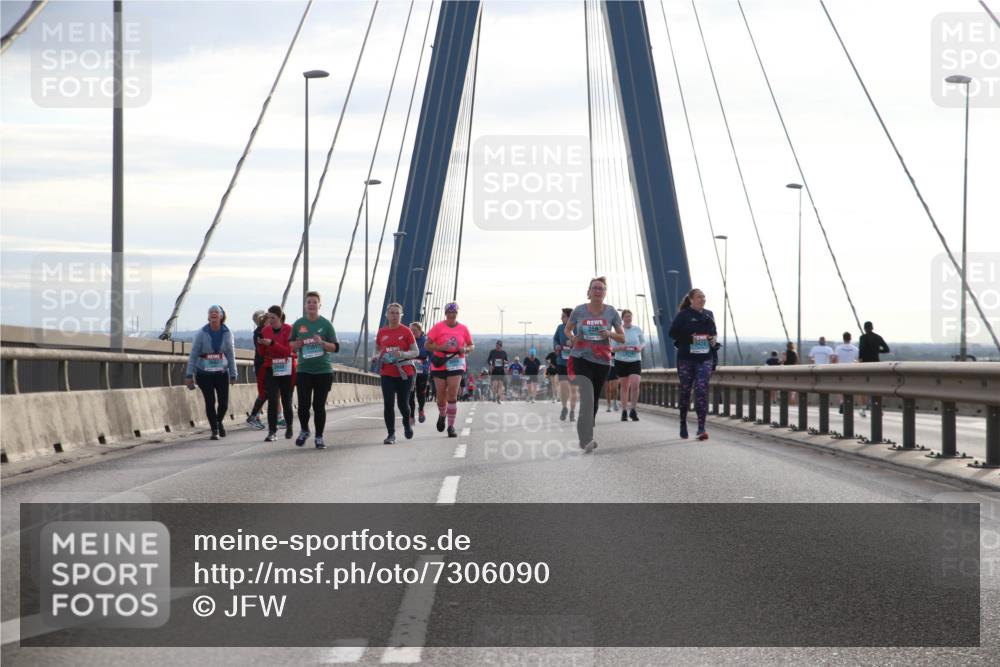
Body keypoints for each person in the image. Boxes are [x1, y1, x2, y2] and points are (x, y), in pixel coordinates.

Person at [564, 276, 625, 454]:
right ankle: (586, 439)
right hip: (581, 357)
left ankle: (586, 428)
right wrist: (571, 338)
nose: (597, 291)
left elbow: (622, 337)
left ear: (605, 293)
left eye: (601, 288)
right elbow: (568, 329)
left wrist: (609, 333)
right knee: (588, 396)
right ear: (589, 292)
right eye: (594, 288)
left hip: (602, 360)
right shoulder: (579, 311)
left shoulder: (611, 312)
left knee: (594, 400)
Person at [289, 291, 340, 449]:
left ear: (319, 305)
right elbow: (290, 344)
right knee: (303, 405)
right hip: (304, 370)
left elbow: (336, 347)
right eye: (308, 302)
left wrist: (323, 343)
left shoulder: (326, 324)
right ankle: (305, 430)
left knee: (318, 406)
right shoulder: (298, 324)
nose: (311, 305)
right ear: (305, 305)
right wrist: (296, 345)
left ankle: (319, 436)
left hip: (323, 371)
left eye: (314, 302)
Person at [669, 289, 720, 441]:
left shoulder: (709, 314)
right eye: (699, 297)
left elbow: (714, 332)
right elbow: (672, 333)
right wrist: (689, 337)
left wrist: (713, 340)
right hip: (686, 358)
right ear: (691, 300)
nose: (702, 299)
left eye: (704, 297)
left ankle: (701, 427)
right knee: (685, 392)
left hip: (705, 357)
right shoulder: (683, 315)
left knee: (701, 391)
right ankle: (683, 422)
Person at [184, 305, 237, 440]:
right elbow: (193, 355)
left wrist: (233, 373)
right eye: (211, 312)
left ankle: (218, 422)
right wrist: (189, 375)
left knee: (223, 403)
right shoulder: (201, 333)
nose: (213, 314)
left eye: (216, 312)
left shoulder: (227, 333)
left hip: (221, 372)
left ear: (221, 316)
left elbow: (230, 354)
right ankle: (214, 430)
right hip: (204, 373)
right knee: (210, 401)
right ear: (208, 316)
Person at [426, 302, 474, 437]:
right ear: (445, 313)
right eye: (449, 312)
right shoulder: (438, 327)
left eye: (454, 312)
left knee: (452, 393)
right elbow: (427, 345)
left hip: (457, 362)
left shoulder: (463, 329)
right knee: (441, 397)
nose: (452, 315)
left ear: (457, 313)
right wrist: (442, 347)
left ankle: (451, 426)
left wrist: (465, 349)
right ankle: (442, 414)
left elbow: (471, 345)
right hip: (440, 362)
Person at [375, 303, 419, 444]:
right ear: (386, 315)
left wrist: (402, 353)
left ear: (401, 315)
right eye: (392, 313)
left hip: (404, 372)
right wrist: (375, 356)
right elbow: (377, 349)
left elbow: (416, 352)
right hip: (387, 372)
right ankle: (391, 434)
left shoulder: (406, 331)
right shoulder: (382, 332)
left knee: (402, 404)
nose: (394, 316)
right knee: (388, 404)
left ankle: (406, 424)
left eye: (397, 313)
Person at [260, 305, 295, 442]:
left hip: (286, 368)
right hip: (271, 368)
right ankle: (272, 431)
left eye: (273, 318)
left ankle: (290, 426)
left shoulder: (289, 329)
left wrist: (272, 343)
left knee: (286, 400)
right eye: (268, 317)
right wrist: (261, 344)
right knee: (272, 400)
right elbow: (262, 353)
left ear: (279, 317)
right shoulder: (265, 330)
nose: (270, 320)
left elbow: (288, 351)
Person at [614, 308, 645, 421]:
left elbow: (643, 342)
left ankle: (633, 410)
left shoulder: (637, 329)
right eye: (626, 316)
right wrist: (621, 347)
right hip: (621, 361)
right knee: (625, 387)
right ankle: (624, 410)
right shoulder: (618, 331)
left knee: (635, 384)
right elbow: (612, 348)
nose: (628, 318)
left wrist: (640, 348)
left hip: (635, 360)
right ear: (622, 318)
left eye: (629, 316)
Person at [858, 321, 890, 417]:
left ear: (865, 328)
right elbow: (886, 349)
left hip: (865, 365)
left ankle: (864, 408)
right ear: (872, 328)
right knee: (876, 386)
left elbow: (861, 351)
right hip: (876, 365)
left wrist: (860, 361)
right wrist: (877, 350)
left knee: (864, 387)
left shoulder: (862, 338)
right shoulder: (877, 337)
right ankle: (878, 408)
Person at [553, 308, 579, 421]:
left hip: (574, 363)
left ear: (569, 317)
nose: (561, 318)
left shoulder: (577, 327)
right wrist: (557, 346)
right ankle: (564, 408)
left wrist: (573, 342)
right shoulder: (560, 328)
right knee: (563, 387)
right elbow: (555, 340)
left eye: (563, 316)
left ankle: (572, 411)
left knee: (573, 389)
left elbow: (583, 341)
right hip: (562, 362)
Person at [246, 309, 268, 430]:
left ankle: (255, 416)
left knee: (269, 392)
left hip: (268, 365)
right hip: (263, 366)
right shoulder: (259, 333)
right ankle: (254, 416)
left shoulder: (266, 331)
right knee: (265, 392)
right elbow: (262, 351)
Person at [407, 322, 430, 424]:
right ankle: (411, 416)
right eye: (410, 331)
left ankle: (421, 409)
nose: (412, 333)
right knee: (410, 394)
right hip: (410, 369)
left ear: (420, 331)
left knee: (421, 394)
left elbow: (432, 356)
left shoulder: (426, 341)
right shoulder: (407, 341)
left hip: (422, 371)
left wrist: (426, 366)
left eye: (415, 331)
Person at [832, 331, 860, 414]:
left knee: (840, 388)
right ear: (850, 338)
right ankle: (848, 403)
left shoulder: (838, 348)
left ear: (843, 338)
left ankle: (842, 402)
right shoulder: (855, 349)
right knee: (850, 388)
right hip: (851, 370)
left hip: (840, 370)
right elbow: (858, 360)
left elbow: (834, 359)